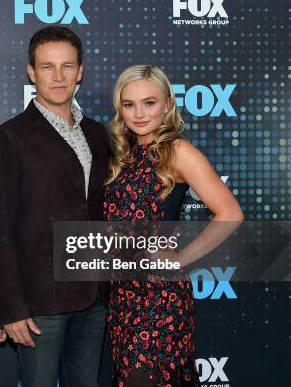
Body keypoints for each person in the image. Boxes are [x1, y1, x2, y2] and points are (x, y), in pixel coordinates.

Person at [0, 25, 112, 387]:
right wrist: (10, 309)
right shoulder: (10, 138)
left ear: (81, 71)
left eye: (67, 66)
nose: (58, 77)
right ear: (31, 72)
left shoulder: (100, 135)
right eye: (47, 67)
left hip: (95, 298)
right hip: (40, 303)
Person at [103, 64, 244, 386]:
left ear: (167, 104)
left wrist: (180, 259)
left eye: (149, 102)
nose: (139, 113)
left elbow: (230, 213)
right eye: (129, 104)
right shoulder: (122, 156)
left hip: (159, 296)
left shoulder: (178, 152)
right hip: (121, 294)